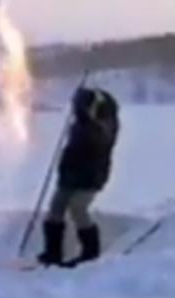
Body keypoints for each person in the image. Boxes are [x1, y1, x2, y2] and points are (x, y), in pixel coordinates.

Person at [37, 87, 119, 268]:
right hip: (70, 174)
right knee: (55, 209)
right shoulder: (80, 123)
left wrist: (85, 121)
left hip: (91, 176)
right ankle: (53, 253)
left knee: (78, 208)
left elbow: (96, 143)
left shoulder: (105, 123)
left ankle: (90, 253)